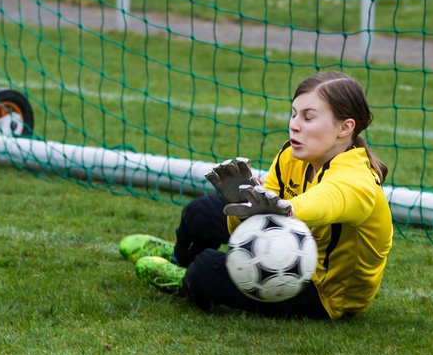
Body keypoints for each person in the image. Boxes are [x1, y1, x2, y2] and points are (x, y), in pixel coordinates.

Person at [118, 71, 394, 319]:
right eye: (294, 113)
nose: (295, 125)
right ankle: (179, 260)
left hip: (323, 292)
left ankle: (185, 279)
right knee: (199, 213)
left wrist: (285, 210)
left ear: (345, 128)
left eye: (308, 117)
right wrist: (243, 205)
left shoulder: (358, 179)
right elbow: (256, 220)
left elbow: (330, 200)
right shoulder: (292, 156)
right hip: (286, 246)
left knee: (206, 270)